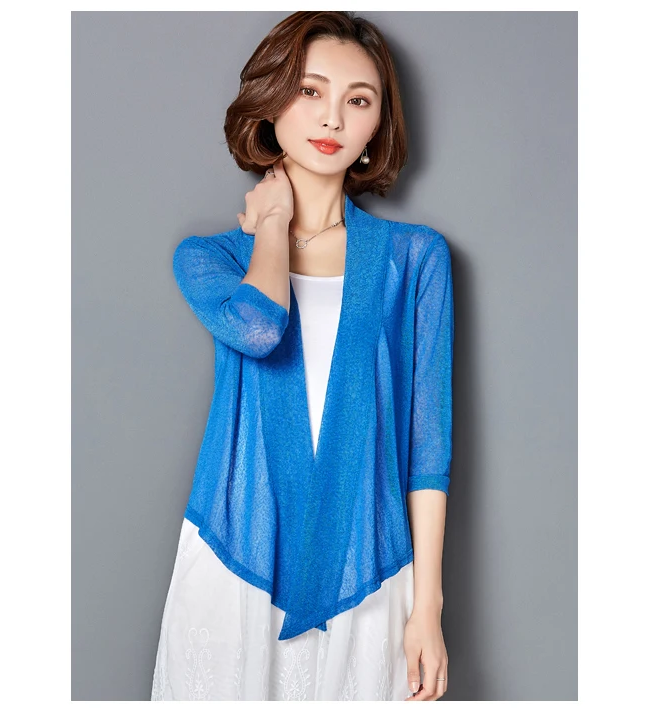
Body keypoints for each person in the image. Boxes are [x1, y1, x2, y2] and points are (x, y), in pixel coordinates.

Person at [151, 11, 454, 702]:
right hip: (235, 561)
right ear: (272, 100)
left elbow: (427, 446)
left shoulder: (415, 260)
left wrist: (428, 606)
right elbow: (261, 330)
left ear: (377, 126)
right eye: (310, 91)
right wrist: (274, 222)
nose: (333, 118)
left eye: (358, 100)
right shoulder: (210, 259)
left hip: (370, 572)